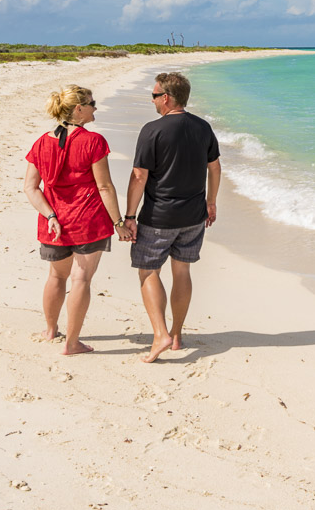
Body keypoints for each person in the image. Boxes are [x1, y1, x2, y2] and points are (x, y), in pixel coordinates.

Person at [123, 71, 220, 363]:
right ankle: (177, 336)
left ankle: (160, 334)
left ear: (166, 98)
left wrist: (129, 215)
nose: (152, 100)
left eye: (154, 95)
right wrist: (211, 201)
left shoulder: (152, 130)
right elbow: (214, 168)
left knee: (148, 270)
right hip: (193, 216)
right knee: (182, 272)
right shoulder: (203, 127)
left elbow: (140, 176)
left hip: (159, 217)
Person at [23, 84, 125, 356]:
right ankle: (72, 342)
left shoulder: (41, 142)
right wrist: (119, 222)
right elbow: (105, 187)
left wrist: (50, 216)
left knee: (56, 277)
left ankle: (50, 330)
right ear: (78, 109)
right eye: (92, 103)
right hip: (88, 221)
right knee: (81, 280)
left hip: (54, 224)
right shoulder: (93, 141)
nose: (95, 108)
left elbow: (31, 188)